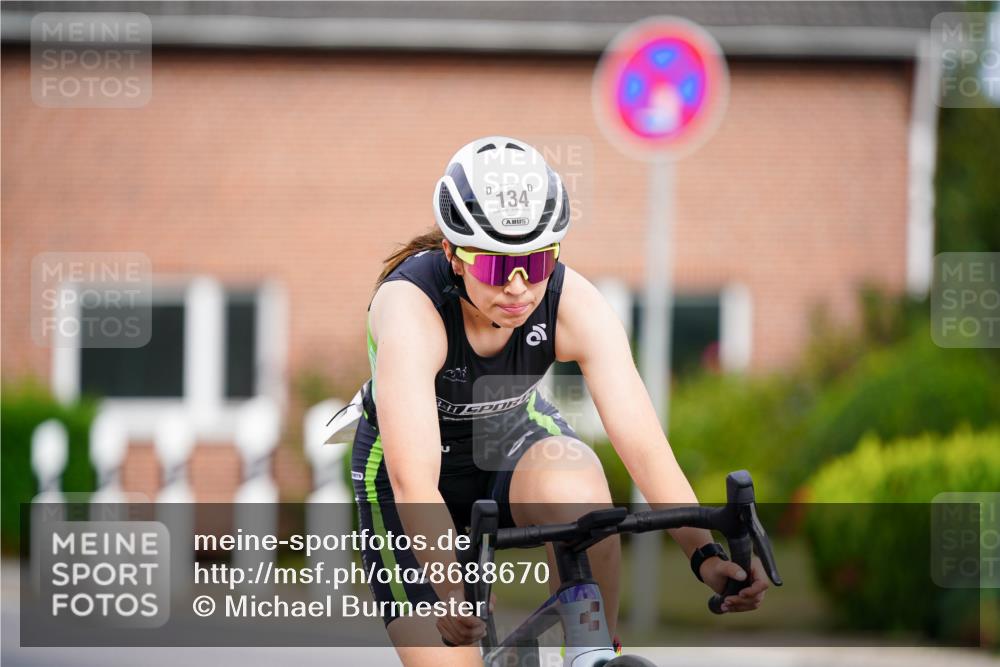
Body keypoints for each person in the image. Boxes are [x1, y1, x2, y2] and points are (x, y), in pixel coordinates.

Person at [351, 136, 769, 667]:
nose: (521, 288)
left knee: (578, 481)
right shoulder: (411, 308)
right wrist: (450, 587)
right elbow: (416, 481)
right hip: (406, 481)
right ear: (454, 255)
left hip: (509, 443)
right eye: (499, 267)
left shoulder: (574, 304)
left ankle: (591, 651)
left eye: (538, 259)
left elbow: (643, 446)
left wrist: (705, 555)